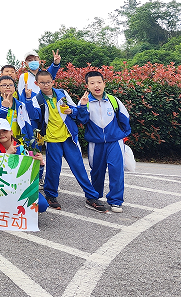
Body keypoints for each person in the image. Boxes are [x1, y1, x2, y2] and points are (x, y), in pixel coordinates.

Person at [30, 70, 106, 212]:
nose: (46, 85)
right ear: (37, 83)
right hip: (52, 139)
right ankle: (51, 195)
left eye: (48, 81)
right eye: (42, 82)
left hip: (69, 137)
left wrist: (72, 111)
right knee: (53, 169)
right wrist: (28, 100)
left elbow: (75, 111)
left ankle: (91, 197)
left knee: (79, 168)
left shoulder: (62, 93)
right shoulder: (36, 99)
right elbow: (34, 116)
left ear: (53, 81)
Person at [75, 70, 131, 213]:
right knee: (97, 171)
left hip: (115, 142)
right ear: (87, 86)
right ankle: (95, 198)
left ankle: (116, 201)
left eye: (99, 82)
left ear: (104, 84)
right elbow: (81, 120)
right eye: (92, 83)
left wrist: (122, 135)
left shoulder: (113, 100)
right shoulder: (84, 102)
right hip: (95, 143)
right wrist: (82, 106)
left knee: (116, 170)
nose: (96, 86)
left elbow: (125, 117)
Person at [0, 118, 49, 213]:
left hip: (21, 186)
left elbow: (34, 176)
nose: (1, 134)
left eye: (4, 131)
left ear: (11, 132)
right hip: (0, 187)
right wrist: (7, 155)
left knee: (42, 205)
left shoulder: (23, 148)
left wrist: (40, 164)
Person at [0, 75, 37, 143]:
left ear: (14, 88)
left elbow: (27, 125)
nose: (8, 87)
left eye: (11, 85)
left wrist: (33, 146)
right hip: (1, 142)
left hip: (19, 143)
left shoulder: (21, 105)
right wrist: (4, 108)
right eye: (4, 85)